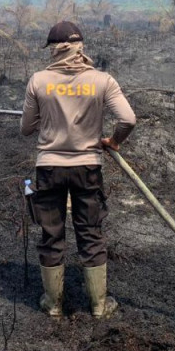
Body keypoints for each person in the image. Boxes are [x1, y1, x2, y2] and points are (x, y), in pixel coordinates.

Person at [20, 21, 136, 319]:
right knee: (90, 233)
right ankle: (99, 305)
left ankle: (53, 304)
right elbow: (128, 119)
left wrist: (45, 118)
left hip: (48, 169)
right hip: (88, 168)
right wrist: (113, 140)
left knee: (51, 233)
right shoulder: (102, 80)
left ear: (53, 50)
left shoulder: (38, 81)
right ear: (81, 48)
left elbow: (25, 129)